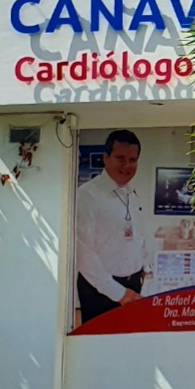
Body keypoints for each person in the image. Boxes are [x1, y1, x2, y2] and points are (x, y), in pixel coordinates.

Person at [75, 130, 152, 324]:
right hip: (101, 290)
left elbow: (138, 235)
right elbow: (84, 253)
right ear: (106, 158)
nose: (127, 165)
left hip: (133, 285)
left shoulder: (132, 193)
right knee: (100, 340)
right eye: (120, 158)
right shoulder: (87, 195)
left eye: (132, 160)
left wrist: (146, 267)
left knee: (128, 338)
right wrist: (118, 293)